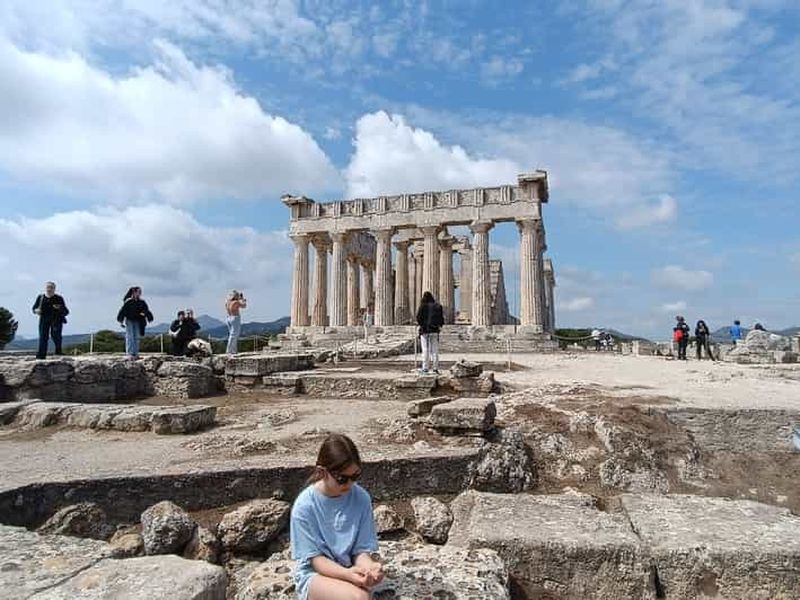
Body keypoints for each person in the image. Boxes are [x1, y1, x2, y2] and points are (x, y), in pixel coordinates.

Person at [290, 433, 383, 600]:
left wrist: (369, 568)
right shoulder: (304, 507)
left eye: (355, 476)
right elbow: (315, 561)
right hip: (315, 574)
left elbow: (360, 551)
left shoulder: (361, 498)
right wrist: (347, 574)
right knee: (358, 597)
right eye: (342, 479)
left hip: (349, 567)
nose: (349, 484)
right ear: (322, 472)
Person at [32, 281, 69, 359]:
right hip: (43, 320)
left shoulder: (59, 298)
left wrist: (59, 308)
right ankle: (41, 355)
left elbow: (66, 311)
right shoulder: (41, 297)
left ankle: (58, 352)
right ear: (45, 288)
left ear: (54, 289)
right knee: (43, 337)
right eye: (48, 287)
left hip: (56, 320)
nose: (49, 289)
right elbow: (33, 308)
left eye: (51, 287)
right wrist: (36, 310)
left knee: (56, 336)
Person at [117, 287, 154, 359]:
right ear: (134, 293)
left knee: (136, 337)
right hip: (129, 320)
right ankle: (130, 353)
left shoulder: (142, 302)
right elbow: (123, 311)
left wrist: (144, 314)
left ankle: (136, 353)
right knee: (130, 336)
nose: (140, 293)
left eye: (140, 292)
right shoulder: (128, 301)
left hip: (138, 320)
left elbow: (146, 309)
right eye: (138, 292)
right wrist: (121, 321)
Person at [416, 291, 444, 374]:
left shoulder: (423, 306)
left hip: (424, 330)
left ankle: (425, 368)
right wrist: (439, 326)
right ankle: (435, 368)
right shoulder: (438, 306)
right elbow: (441, 318)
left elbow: (418, 318)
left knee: (425, 349)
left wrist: (421, 325)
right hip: (435, 330)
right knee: (435, 350)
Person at [225, 290, 247, 354]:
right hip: (235, 318)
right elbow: (244, 306)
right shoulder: (236, 302)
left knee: (232, 335)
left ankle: (233, 350)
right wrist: (243, 300)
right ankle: (229, 350)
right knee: (234, 335)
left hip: (228, 318)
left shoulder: (227, 302)